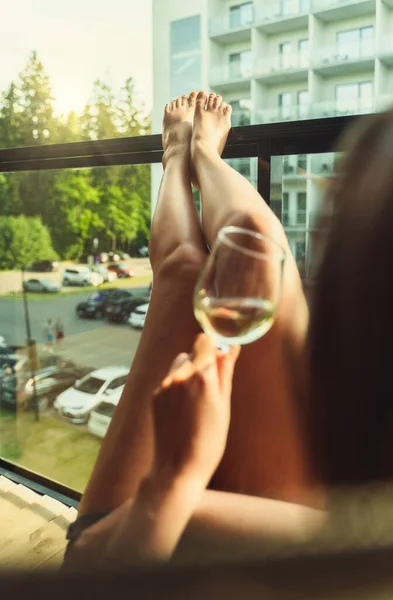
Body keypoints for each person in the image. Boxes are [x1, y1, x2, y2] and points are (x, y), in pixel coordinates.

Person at [64, 91, 316, 567]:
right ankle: (199, 153)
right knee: (255, 249)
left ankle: (179, 154)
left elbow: (94, 558)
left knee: (183, 271)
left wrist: (173, 480)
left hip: (117, 557)